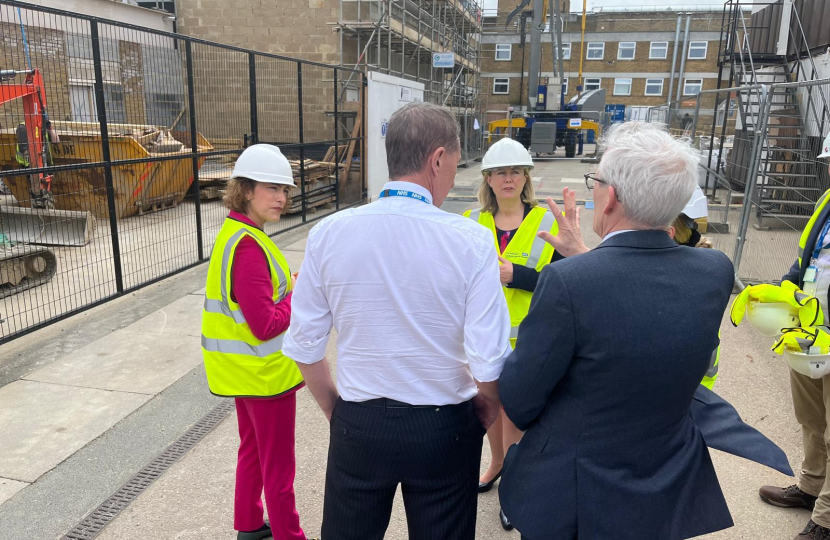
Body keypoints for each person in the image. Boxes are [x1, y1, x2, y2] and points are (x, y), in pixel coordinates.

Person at [282, 101, 512, 540]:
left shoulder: (329, 233)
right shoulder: (471, 240)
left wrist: (337, 408)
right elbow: (489, 356)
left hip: (360, 422)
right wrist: (488, 406)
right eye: (454, 165)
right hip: (444, 425)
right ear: (438, 159)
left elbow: (305, 343)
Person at [498, 122, 736, 540]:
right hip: (666, 483)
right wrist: (587, 258)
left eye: (596, 180)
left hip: (579, 494)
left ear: (610, 198)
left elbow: (519, 401)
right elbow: (643, 308)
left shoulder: (570, 283)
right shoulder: (714, 271)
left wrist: (581, 264)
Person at [200, 144, 314, 540]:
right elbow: (265, 324)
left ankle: (249, 524)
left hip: (243, 372)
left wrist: (288, 289)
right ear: (246, 189)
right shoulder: (249, 246)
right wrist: (296, 297)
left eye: (286, 189)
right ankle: (289, 534)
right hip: (265, 376)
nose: (282, 198)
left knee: (252, 451)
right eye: (272, 188)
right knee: (278, 464)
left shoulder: (237, 231)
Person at [462, 138, 559, 529]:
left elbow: (564, 282)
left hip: (529, 341)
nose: (508, 178)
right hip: (483, 341)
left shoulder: (546, 222)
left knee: (517, 417)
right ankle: (497, 462)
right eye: (500, 172)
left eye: (516, 171)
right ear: (487, 178)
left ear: (526, 177)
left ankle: (514, 489)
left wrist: (515, 275)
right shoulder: (470, 221)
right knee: (488, 412)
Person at [759, 131, 830, 540]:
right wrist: (785, 287)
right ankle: (811, 486)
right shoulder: (827, 200)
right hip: (810, 329)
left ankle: (826, 517)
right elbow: (809, 255)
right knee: (810, 417)